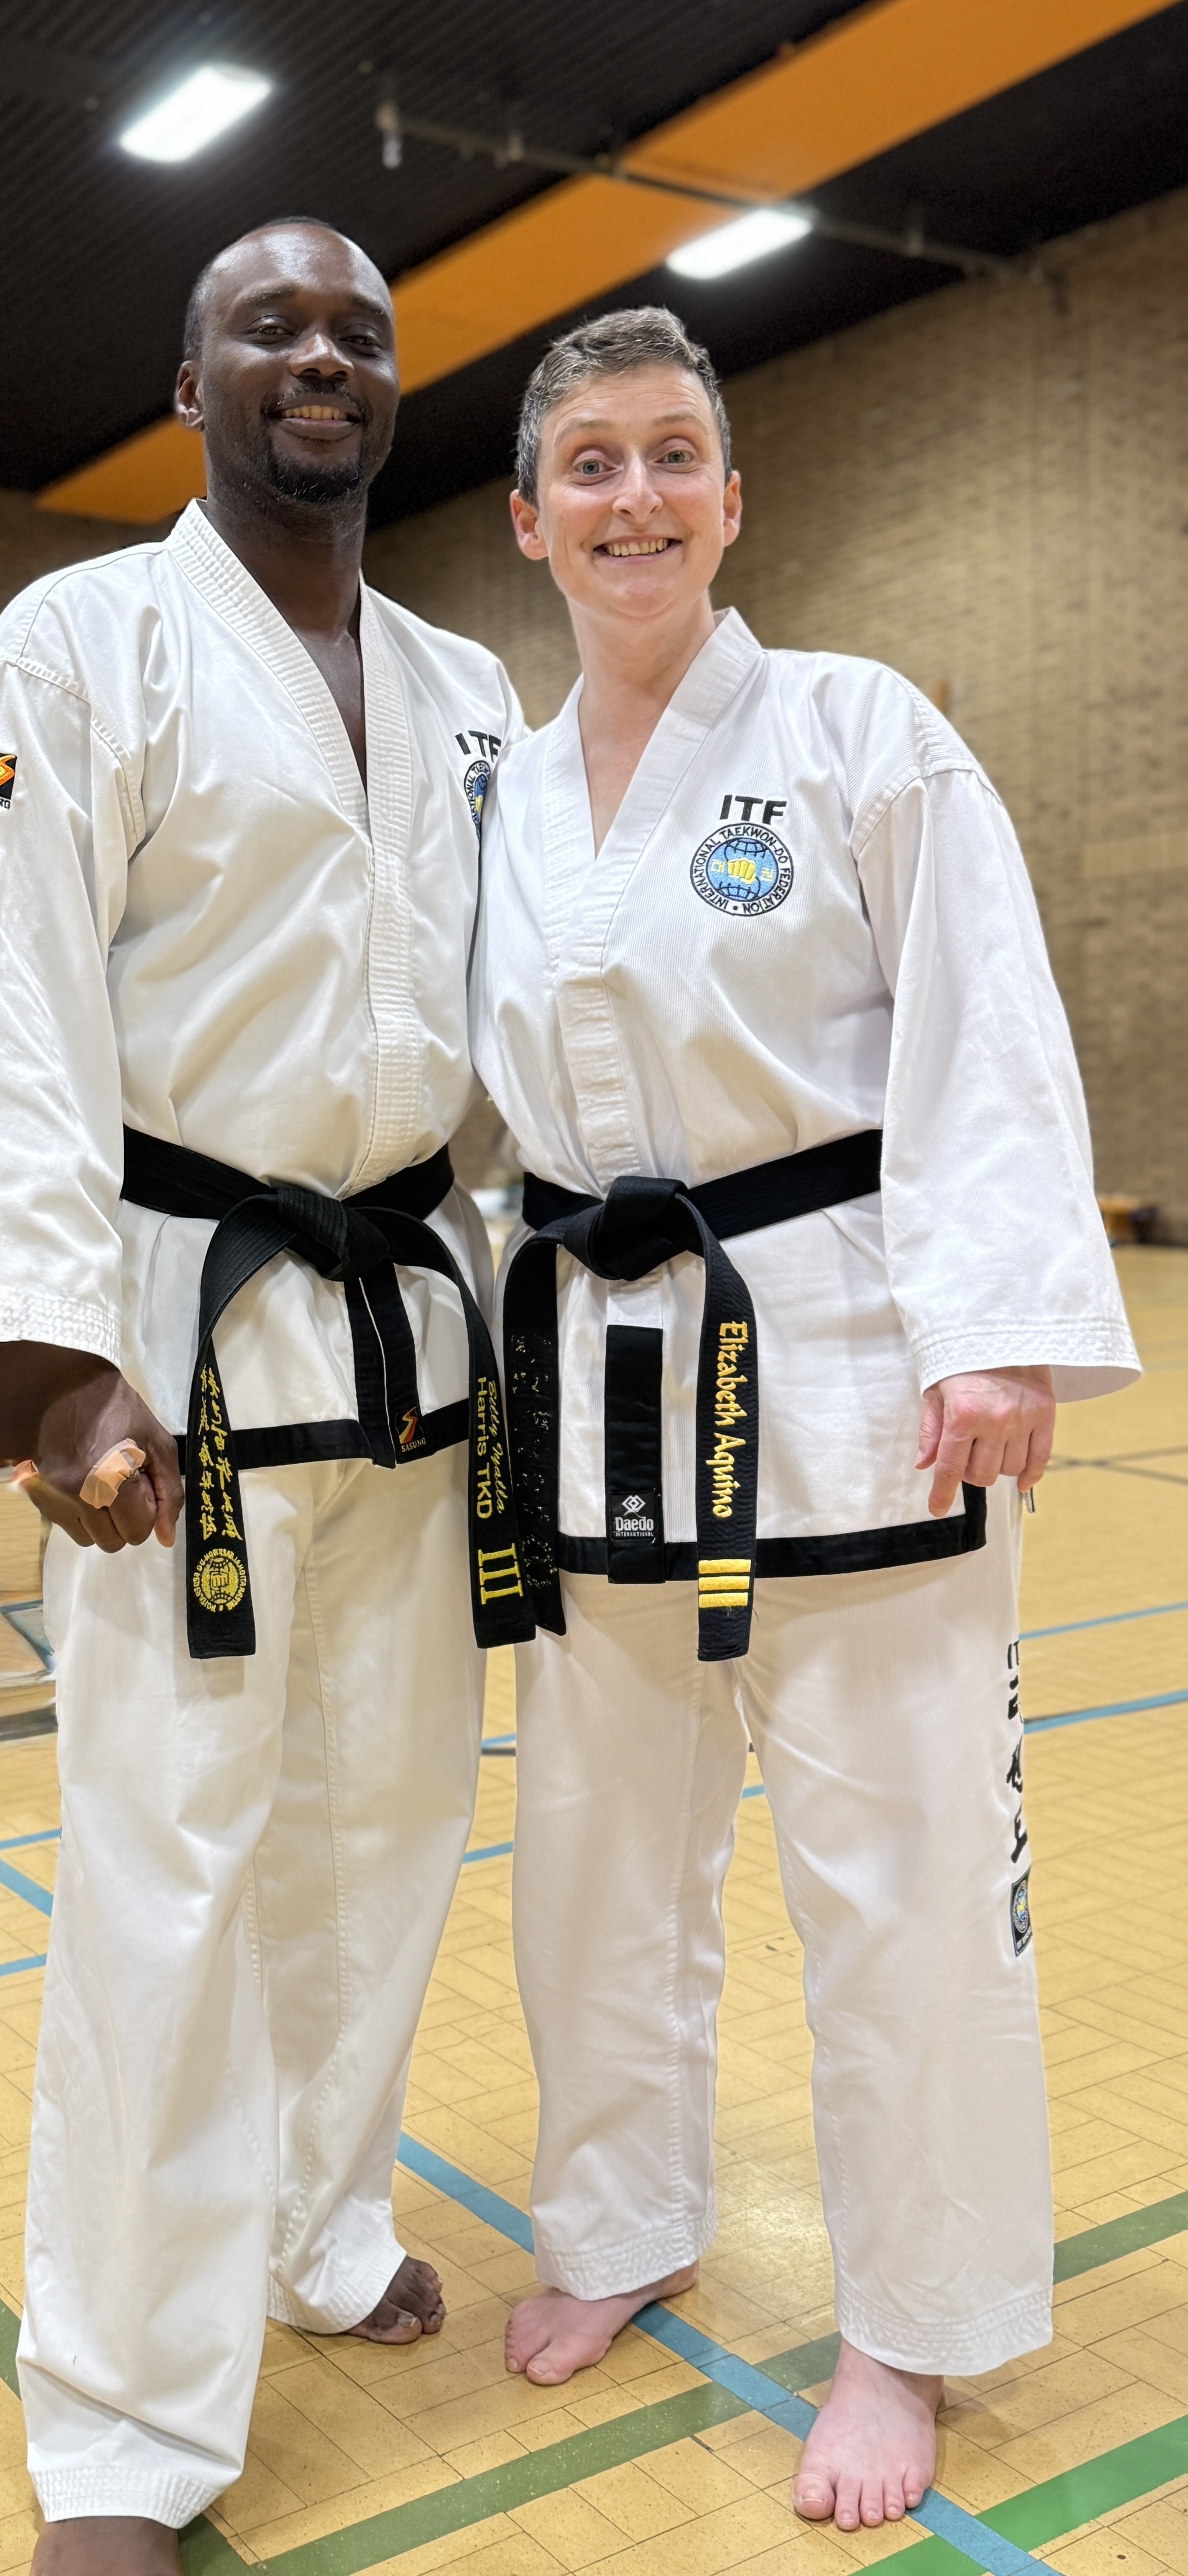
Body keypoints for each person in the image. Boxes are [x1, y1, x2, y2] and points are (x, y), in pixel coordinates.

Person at [469, 306, 1139, 2534]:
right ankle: (624, 2221)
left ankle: (906, 2327)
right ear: (530, 519)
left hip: (854, 1379)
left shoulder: (861, 731)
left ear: (733, 499)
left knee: (903, 1881)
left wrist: (1001, 1327)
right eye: (591, 463)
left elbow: (984, 1022)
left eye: (674, 454)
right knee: (592, 1867)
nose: (636, 497)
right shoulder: (498, 796)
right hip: (596, 1398)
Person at [0, 218, 531, 2575]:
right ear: (190, 380)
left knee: (380, 1840)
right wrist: (50, 1376)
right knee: (165, 1879)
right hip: (179, 1355)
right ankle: (122, 2420)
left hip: (410, 1333)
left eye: (358, 332)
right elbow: (18, 1008)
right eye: (269, 327)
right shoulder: (78, 643)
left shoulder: (466, 685)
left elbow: (534, 1017)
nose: (321, 356)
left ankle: (318, 2230)